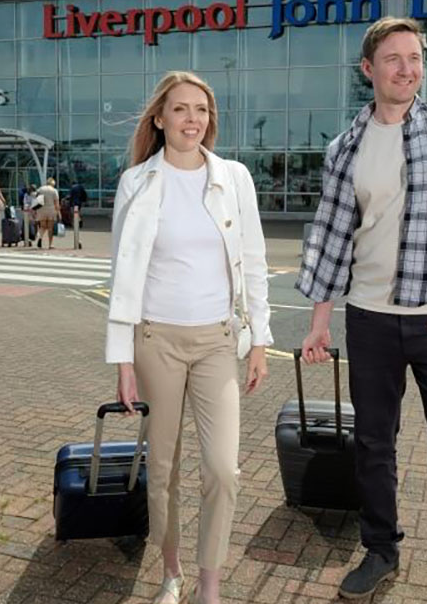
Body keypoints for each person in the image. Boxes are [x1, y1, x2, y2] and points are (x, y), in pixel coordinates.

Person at [296, 17, 427, 603]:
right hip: (368, 320)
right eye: (393, 58)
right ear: (369, 69)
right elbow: (331, 236)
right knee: (373, 447)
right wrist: (320, 321)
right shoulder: (345, 148)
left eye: (414, 58)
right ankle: (381, 550)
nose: (407, 69)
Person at [108, 71, 272, 604]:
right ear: (160, 118)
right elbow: (122, 276)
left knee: (223, 468)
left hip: (217, 340)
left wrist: (261, 340)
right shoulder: (137, 182)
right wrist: (122, 360)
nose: (192, 119)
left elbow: (254, 262)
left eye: (201, 109)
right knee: (163, 468)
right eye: (180, 109)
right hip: (155, 339)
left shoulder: (234, 178)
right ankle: (171, 572)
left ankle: (210, 584)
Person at [35, 177, 61, 249]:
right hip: (51, 210)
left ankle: (40, 237)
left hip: (41, 210)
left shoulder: (40, 189)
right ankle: (50, 244)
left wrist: (35, 211)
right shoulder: (54, 190)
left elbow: (36, 200)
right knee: (50, 228)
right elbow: (56, 203)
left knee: (42, 226)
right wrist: (59, 213)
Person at [69, 180, 88, 249]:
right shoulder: (81, 187)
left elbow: (71, 197)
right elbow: (84, 194)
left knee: (75, 213)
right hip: (79, 202)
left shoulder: (72, 188)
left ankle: (77, 221)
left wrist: (70, 204)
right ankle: (79, 220)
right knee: (78, 212)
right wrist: (84, 200)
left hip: (74, 203)